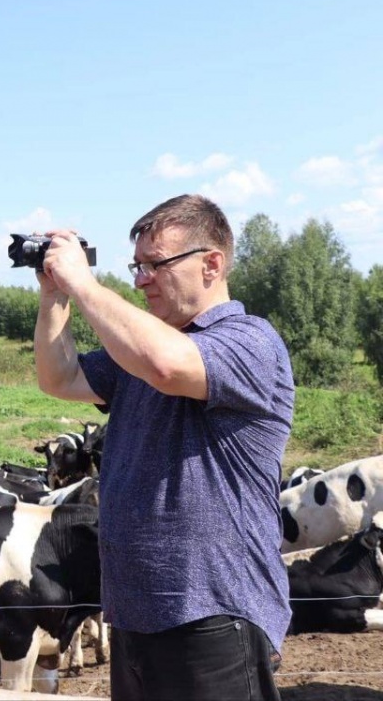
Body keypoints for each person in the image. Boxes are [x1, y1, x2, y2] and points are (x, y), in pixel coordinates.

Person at [33, 194, 293, 701]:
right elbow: (58, 377)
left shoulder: (250, 341)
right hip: (135, 614)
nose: (140, 279)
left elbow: (169, 366)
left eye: (156, 264)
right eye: (136, 266)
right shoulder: (140, 353)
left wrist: (83, 280)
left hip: (213, 614)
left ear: (211, 264)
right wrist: (54, 296)